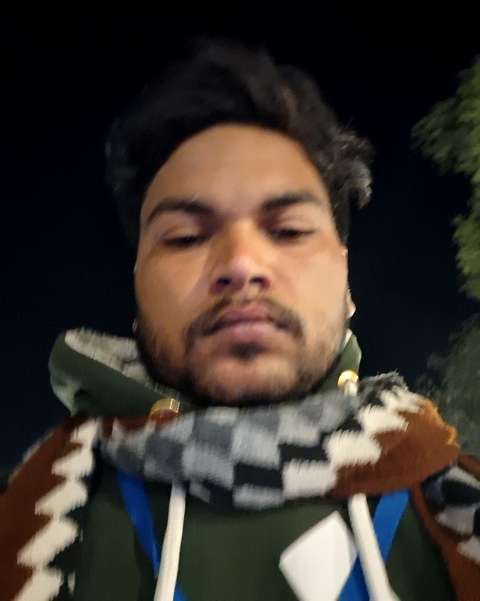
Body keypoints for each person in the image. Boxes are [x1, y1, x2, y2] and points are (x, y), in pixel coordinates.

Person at [1, 38, 479, 601]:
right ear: (139, 297)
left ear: (347, 287)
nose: (241, 263)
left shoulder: (457, 504)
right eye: (186, 237)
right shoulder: (25, 522)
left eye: (289, 230)